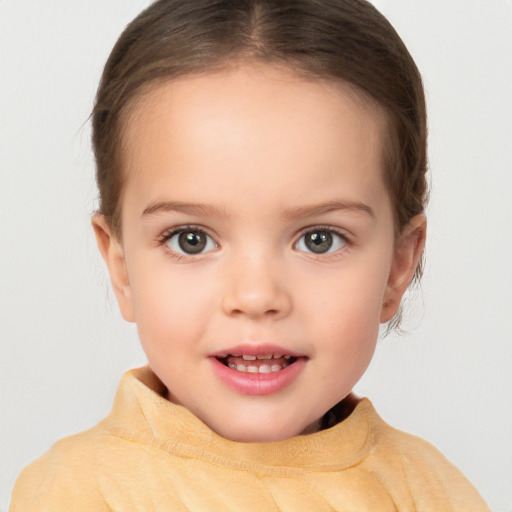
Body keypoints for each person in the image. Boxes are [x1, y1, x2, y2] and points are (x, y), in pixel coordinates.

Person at [9, 0, 490, 510]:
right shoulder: (74, 493)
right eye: (191, 239)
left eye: (318, 239)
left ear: (397, 266)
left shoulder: (432, 492)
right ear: (122, 267)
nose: (256, 296)